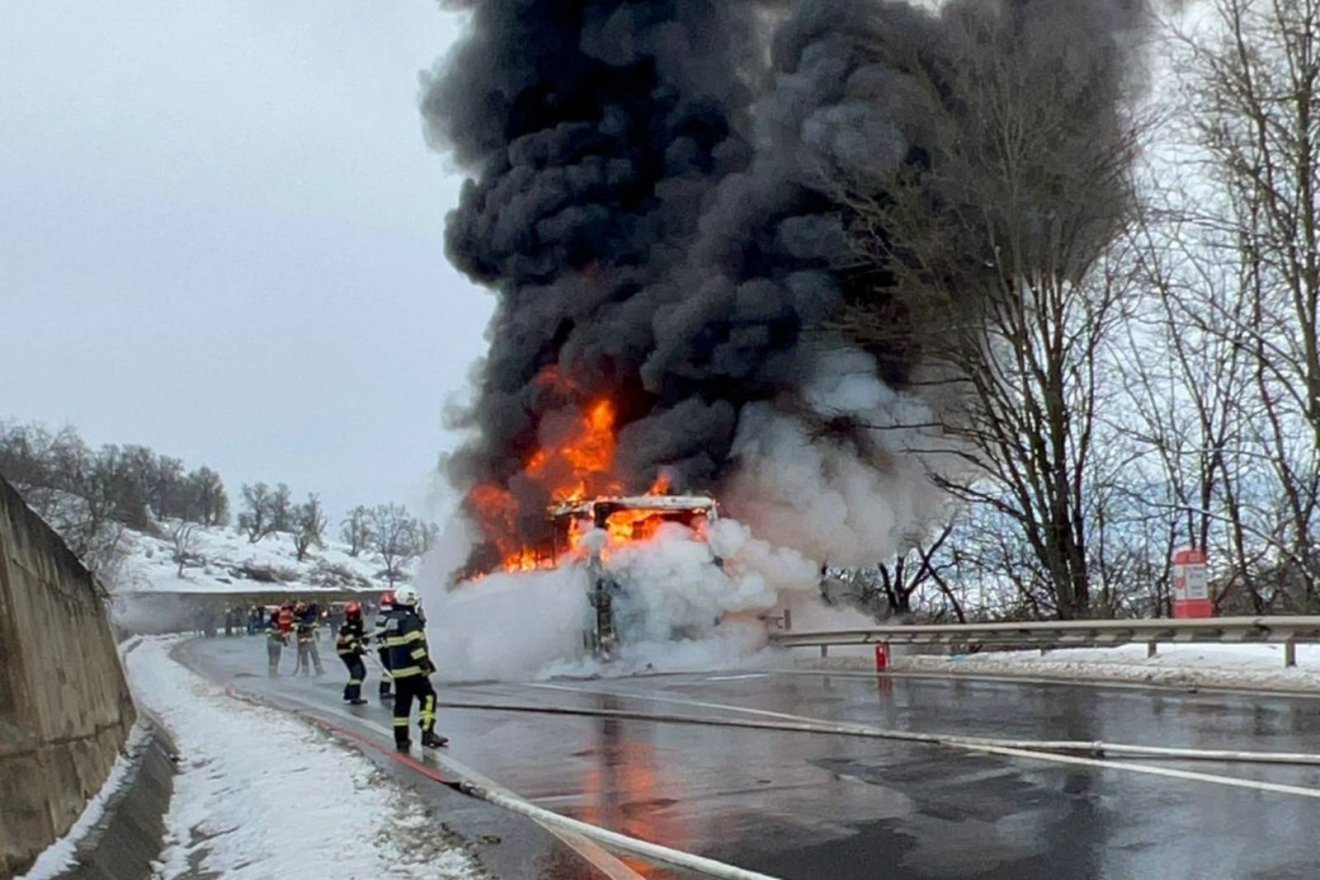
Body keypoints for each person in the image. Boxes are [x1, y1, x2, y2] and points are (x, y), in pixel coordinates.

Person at [380, 585, 446, 751]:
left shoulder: (392, 619)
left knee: (402, 704)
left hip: (399, 671)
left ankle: (401, 740)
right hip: (413, 670)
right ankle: (428, 733)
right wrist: (425, 664)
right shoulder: (409, 619)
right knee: (429, 697)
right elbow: (414, 644)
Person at [335, 602, 369, 705]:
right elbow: (350, 639)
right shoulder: (346, 626)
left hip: (352, 651)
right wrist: (356, 648)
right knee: (357, 672)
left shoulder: (359, 623)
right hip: (345, 651)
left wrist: (365, 639)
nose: (353, 617)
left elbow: (362, 634)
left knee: (362, 672)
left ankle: (348, 692)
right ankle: (354, 696)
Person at [372, 592, 395, 701]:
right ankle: (384, 690)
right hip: (389, 646)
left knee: (388, 668)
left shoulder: (380, 615)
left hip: (382, 646)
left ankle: (384, 690)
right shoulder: (392, 616)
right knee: (391, 668)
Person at [293, 601, 325, 675]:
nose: (302, 610)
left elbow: (311, 621)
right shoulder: (297, 617)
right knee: (304, 655)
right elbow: (294, 624)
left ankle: (319, 670)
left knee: (314, 654)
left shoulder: (308, 616)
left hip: (309, 637)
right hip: (301, 638)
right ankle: (305, 671)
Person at [266, 607, 287, 676]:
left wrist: (284, 640)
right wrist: (279, 633)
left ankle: (273, 672)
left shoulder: (274, 623)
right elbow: (269, 632)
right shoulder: (272, 623)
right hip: (273, 643)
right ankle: (272, 673)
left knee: (274, 658)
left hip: (273, 643)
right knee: (274, 658)